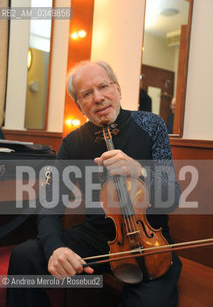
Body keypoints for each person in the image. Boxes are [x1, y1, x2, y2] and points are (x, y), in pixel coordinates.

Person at [7, 61, 182, 307]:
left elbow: (173, 196)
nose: (98, 98)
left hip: (150, 241)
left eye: (103, 87)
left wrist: (139, 170)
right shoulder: (73, 143)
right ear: (79, 105)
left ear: (118, 89)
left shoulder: (152, 125)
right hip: (98, 237)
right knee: (25, 256)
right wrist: (56, 249)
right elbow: (50, 205)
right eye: (87, 94)